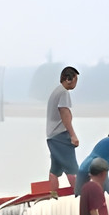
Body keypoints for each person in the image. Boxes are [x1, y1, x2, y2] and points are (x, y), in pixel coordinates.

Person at [46, 66, 80, 197]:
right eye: (75, 80)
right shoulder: (64, 92)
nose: (76, 83)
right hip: (60, 135)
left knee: (55, 169)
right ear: (69, 79)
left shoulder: (57, 91)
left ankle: (53, 195)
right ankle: (79, 195)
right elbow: (64, 113)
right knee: (72, 168)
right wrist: (73, 135)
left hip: (51, 136)